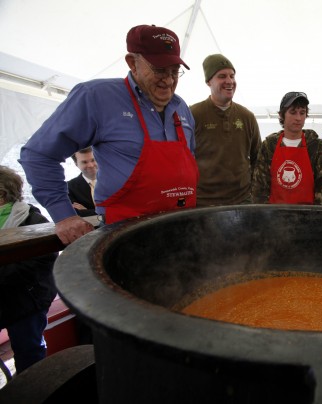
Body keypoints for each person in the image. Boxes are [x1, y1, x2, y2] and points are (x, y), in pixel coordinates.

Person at [19, 24, 198, 245]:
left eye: (174, 71)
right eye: (160, 70)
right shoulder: (96, 98)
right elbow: (38, 155)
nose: (169, 80)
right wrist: (64, 215)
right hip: (124, 238)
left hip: (181, 234)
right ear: (133, 63)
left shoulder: (182, 109)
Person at [0, 166, 58, 374]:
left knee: (29, 351)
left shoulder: (31, 220)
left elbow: (42, 259)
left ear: (2, 195)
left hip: (27, 301)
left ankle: (33, 387)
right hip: (6, 300)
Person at [190, 54, 261, 206]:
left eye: (232, 76)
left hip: (242, 201)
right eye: (222, 76)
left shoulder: (247, 117)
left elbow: (258, 159)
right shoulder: (193, 115)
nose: (229, 81)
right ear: (209, 81)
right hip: (203, 203)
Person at [252, 92, 322, 205]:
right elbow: (259, 187)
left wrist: (315, 218)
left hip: (307, 216)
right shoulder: (269, 145)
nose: (298, 118)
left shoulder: (316, 146)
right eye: (293, 112)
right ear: (282, 115)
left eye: (302, 113)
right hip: (275, 215)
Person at [67, 147, 97, 217]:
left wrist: (86, 211)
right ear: (76, 164)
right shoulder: (69, 187)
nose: (91, 165)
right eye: (84, 162)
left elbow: (122, 208)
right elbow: (75, 214)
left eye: (93, 160)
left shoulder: (115, 180)